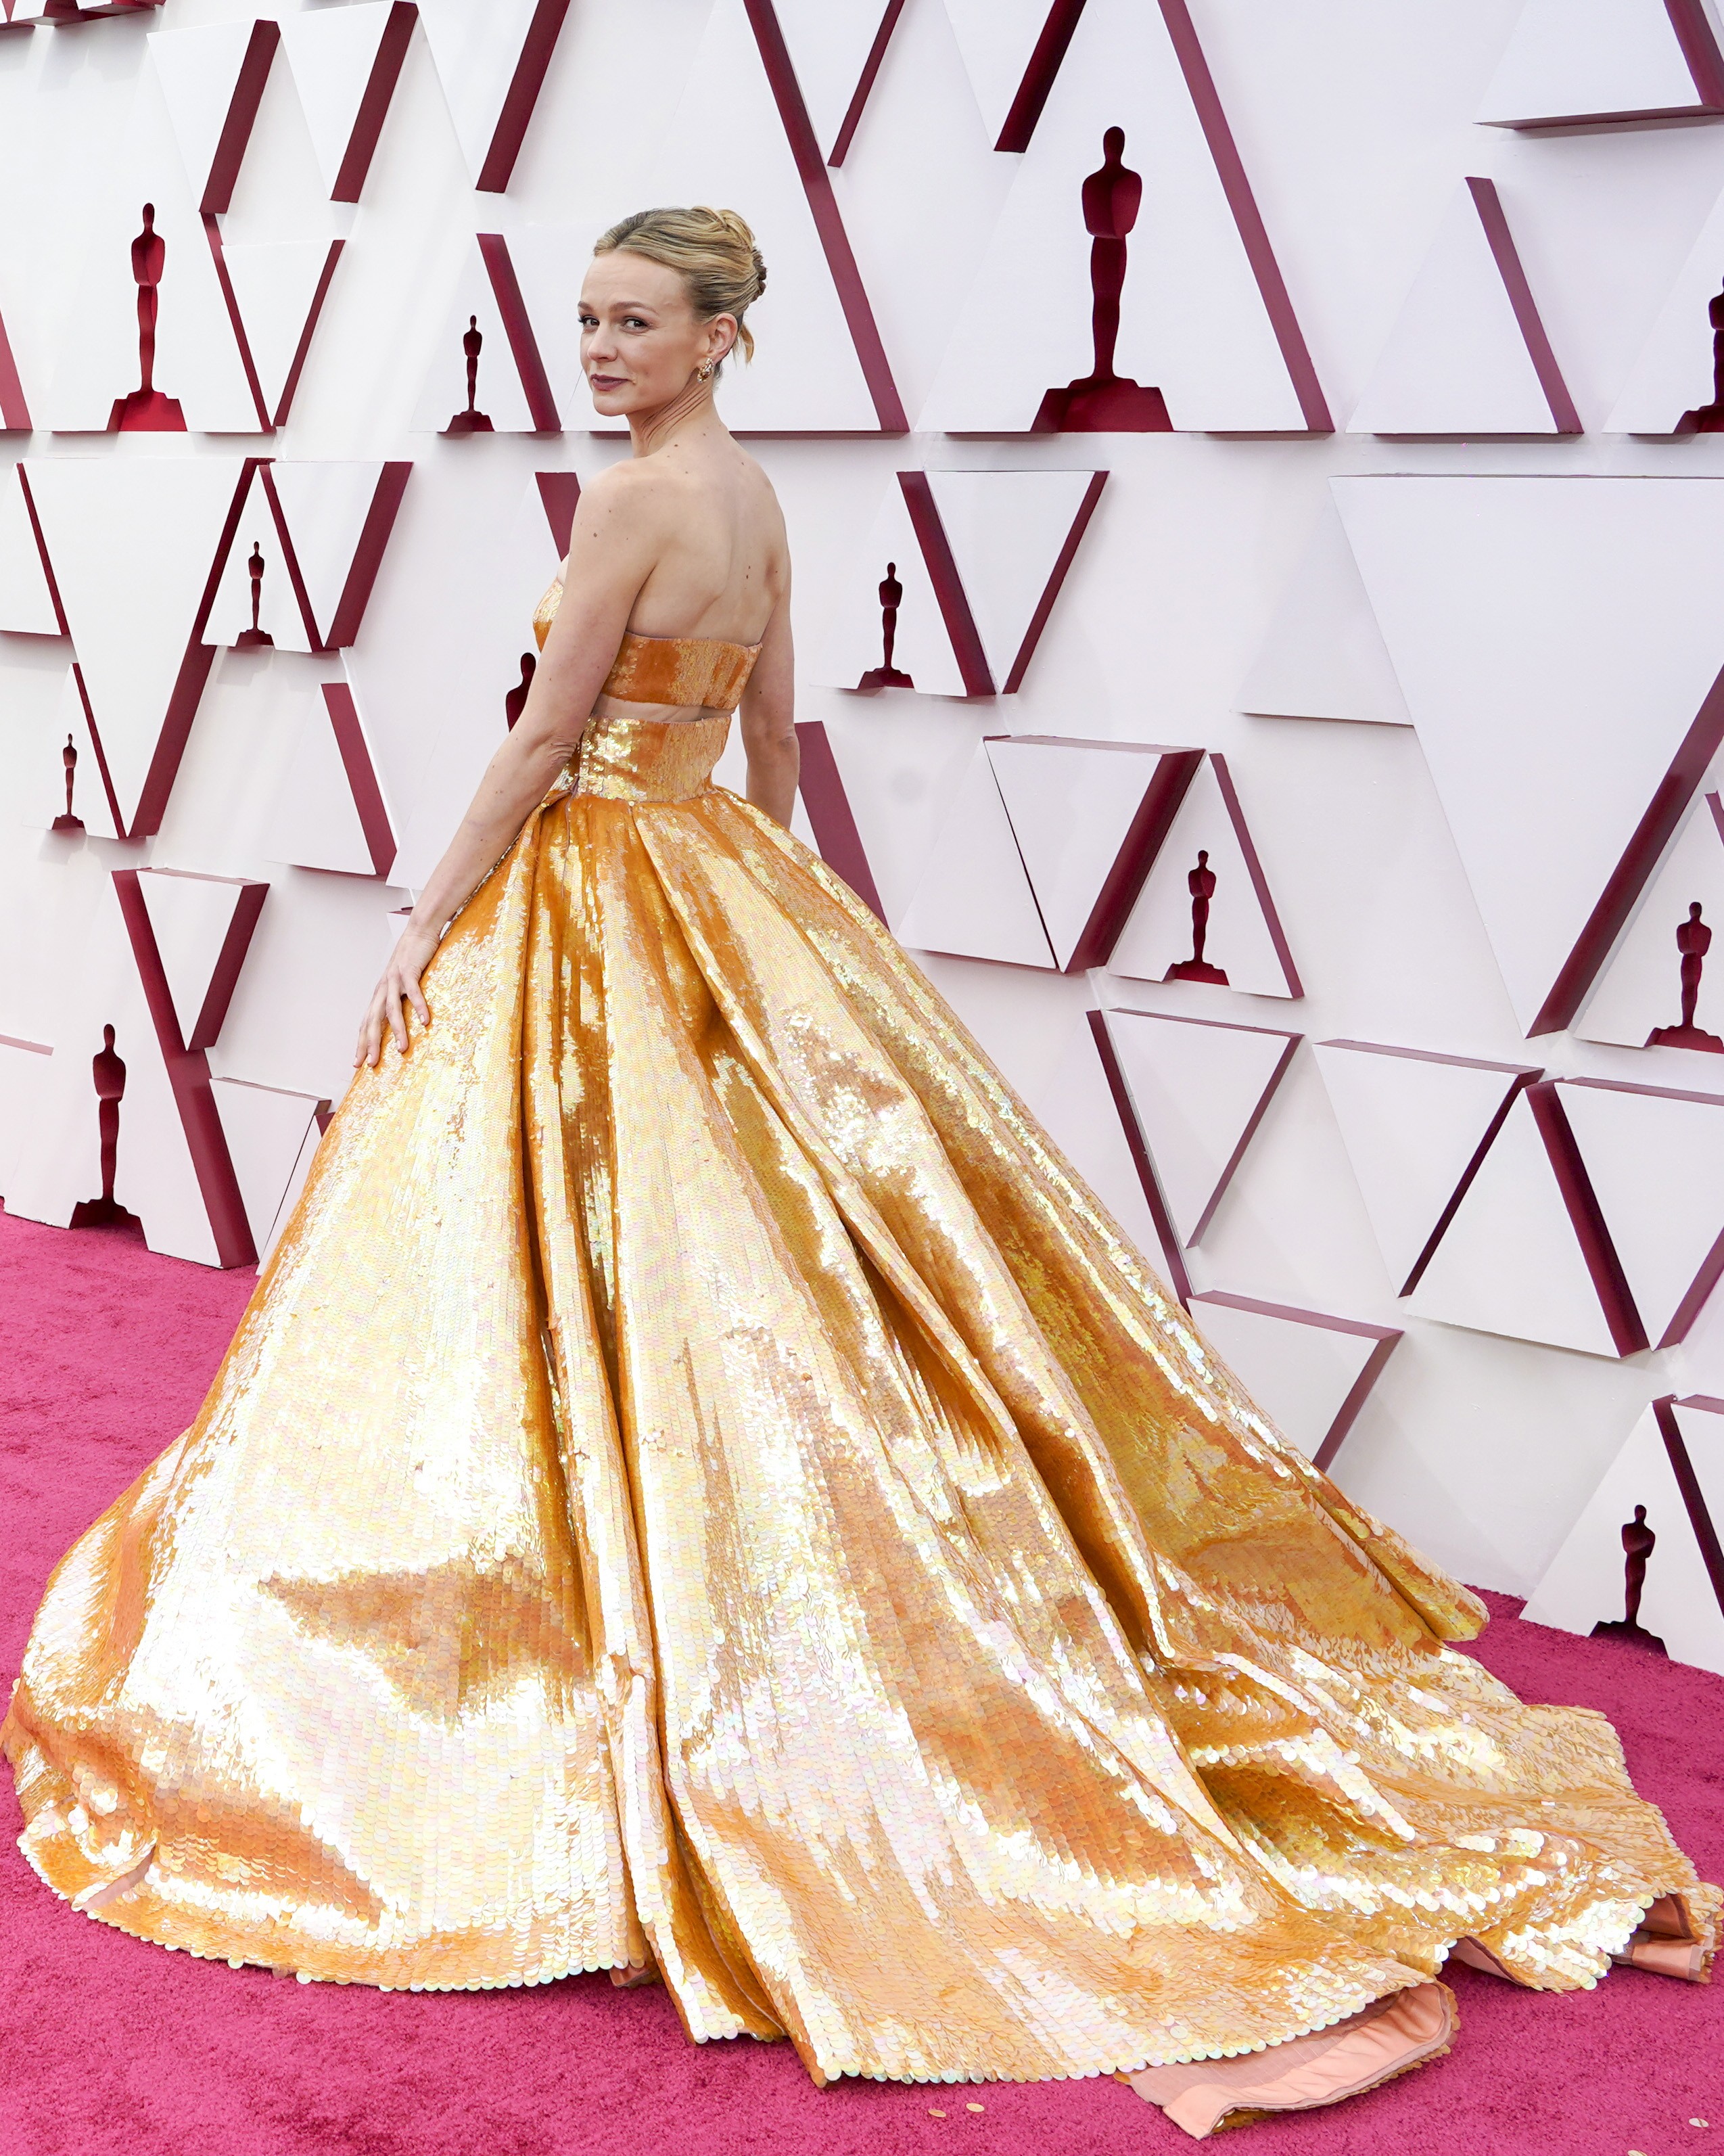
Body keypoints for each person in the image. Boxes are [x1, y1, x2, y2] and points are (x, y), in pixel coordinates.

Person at [5, 207, 1714, 2136]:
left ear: (726, 333)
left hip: (592, 890)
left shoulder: (635, 507)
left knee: (557, 1278)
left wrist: (426, 919)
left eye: (638, 322)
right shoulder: (756, 500)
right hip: (712, 886)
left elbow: (547, 736)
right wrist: (789, 929)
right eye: (587, 319)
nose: (602, 348)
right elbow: (771, 742)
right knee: (737, 1275)